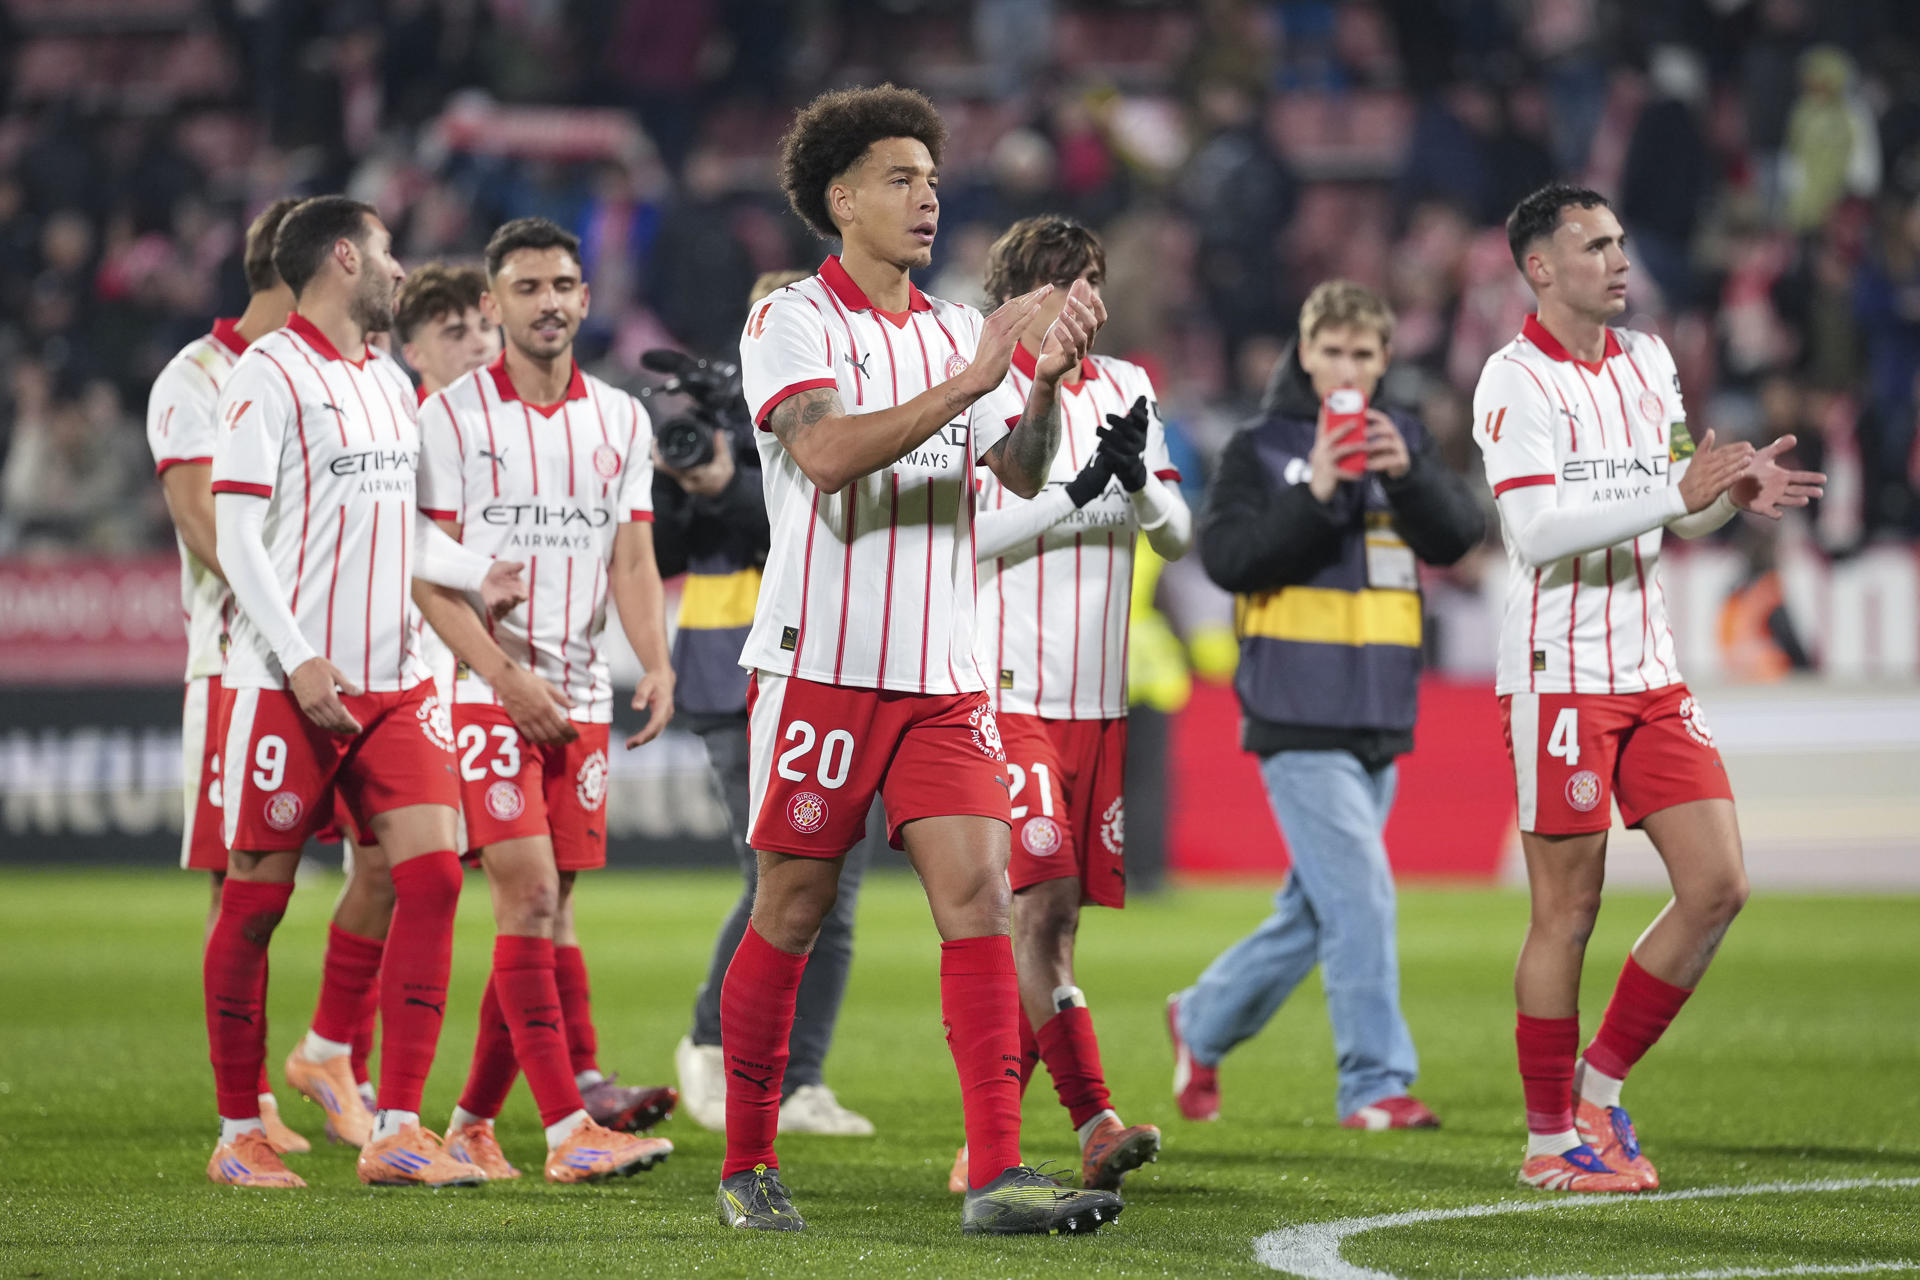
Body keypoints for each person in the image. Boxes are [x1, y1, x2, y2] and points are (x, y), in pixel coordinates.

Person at [720, 83, 1122, 1236]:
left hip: (944, 672)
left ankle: (996, 1171)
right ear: (838, 197)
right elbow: (831, 452)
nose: (927, 196)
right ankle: (748, 1161)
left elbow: (1028, 472)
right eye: (901, 177)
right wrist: (977, 377)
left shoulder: (959, 327)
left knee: (983, 897)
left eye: (934, 179)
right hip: (821, 662)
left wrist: (1038, 385)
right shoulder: (790, 321)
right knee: (790, 904)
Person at [1472, 183, 1822, 1192]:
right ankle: (1549, 1144)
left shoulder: (1652, 360)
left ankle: (1600, 1086)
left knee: (1719, 883)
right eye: (1596, 245)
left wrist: (1726, 497)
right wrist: (1678, 490)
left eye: (1622, 240)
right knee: (1565, 913)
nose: (1621, 260)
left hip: (1650, 666)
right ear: (1541, 267)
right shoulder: (1513, 380)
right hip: (1560, 673)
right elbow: (1534, 532)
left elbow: (1676, 506)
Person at [202, 195, 526, 1189]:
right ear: (345, 256)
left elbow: (396, 528)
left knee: (429, 877)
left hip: (395, 684)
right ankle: (237, 1132)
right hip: (291, 683)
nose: (401, 269)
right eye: (387, 253)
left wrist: (475, 567)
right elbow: (235, 530)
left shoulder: (389, 382)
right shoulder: (267, 373)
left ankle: (396, 1127)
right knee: (254, 903)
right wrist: (296, 654)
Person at [1167, 280, 1483, 1132]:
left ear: (1384, 362)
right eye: (1332, 351)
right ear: (1305, 355)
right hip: (1295, 707)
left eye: (1363, 354)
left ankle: (1201, 1019)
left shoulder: (1404, 442)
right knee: (1363, 897)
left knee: (1319, 908)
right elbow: (1228, 558)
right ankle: (1374, 1083)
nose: (1347, 368)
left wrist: (1409, 473)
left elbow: (1459, 535)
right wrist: (1317, 494)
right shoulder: (1260, 448)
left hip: (1380, 707)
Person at [413, 217, 678, 1184]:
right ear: (495, 304)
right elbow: (422, 570)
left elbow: (634, 554)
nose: (549, 302)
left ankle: (473, 1123)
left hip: (581, 696)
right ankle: (569, 1131)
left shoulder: (621, 417)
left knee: (548, 909)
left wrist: (655, 659)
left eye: (564, 285)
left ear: (586, 297)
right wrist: (502, 675)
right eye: (527, 288)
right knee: (525, 895)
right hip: (488, 691)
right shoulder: (447, 417)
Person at [946, 215, 1192, 1196]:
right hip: (1009, 687)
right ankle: (1092, 1117)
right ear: (1021, 298)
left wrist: (1134, 483)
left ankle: (985, 1136)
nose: (1083, 297)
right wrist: (1079, 485)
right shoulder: (982, 387)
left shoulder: (1129, 385)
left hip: (1100, 696)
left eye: (1090, 279)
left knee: (1057, 925)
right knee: (1036, 905)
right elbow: (975, 537)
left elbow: (1177, 538)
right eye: (1061, 283)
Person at [283, 261, 504, 1139]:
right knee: (405, 871)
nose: (480, 343)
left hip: (433, 672)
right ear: (410, 351)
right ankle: (347, 1066)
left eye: (482, 328)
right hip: (395, 670)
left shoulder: (486, 428)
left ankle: (337, 1053)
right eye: (454, 332)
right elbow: (401, 559)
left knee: (390, 871)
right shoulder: (404, 425)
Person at [666, 269, 876, 1139]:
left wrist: (730, 483)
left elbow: (827, 507)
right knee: (782, 877)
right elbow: (661, 534)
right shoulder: (721, 422)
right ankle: (712, 1045)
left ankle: (801, 1079)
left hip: (834, 663)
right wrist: (702, 479)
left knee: (832, 888)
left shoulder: (842, 419)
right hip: (733, 668)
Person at [145, 195, 308, 1157]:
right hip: (239, 663)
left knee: (366, 867)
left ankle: (337, 1065)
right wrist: (286, 618)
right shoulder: (195, 378)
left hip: (333, 665)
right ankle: (244, 1107)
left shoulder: (324, 374)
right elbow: (203, 522)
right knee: (240, 883)